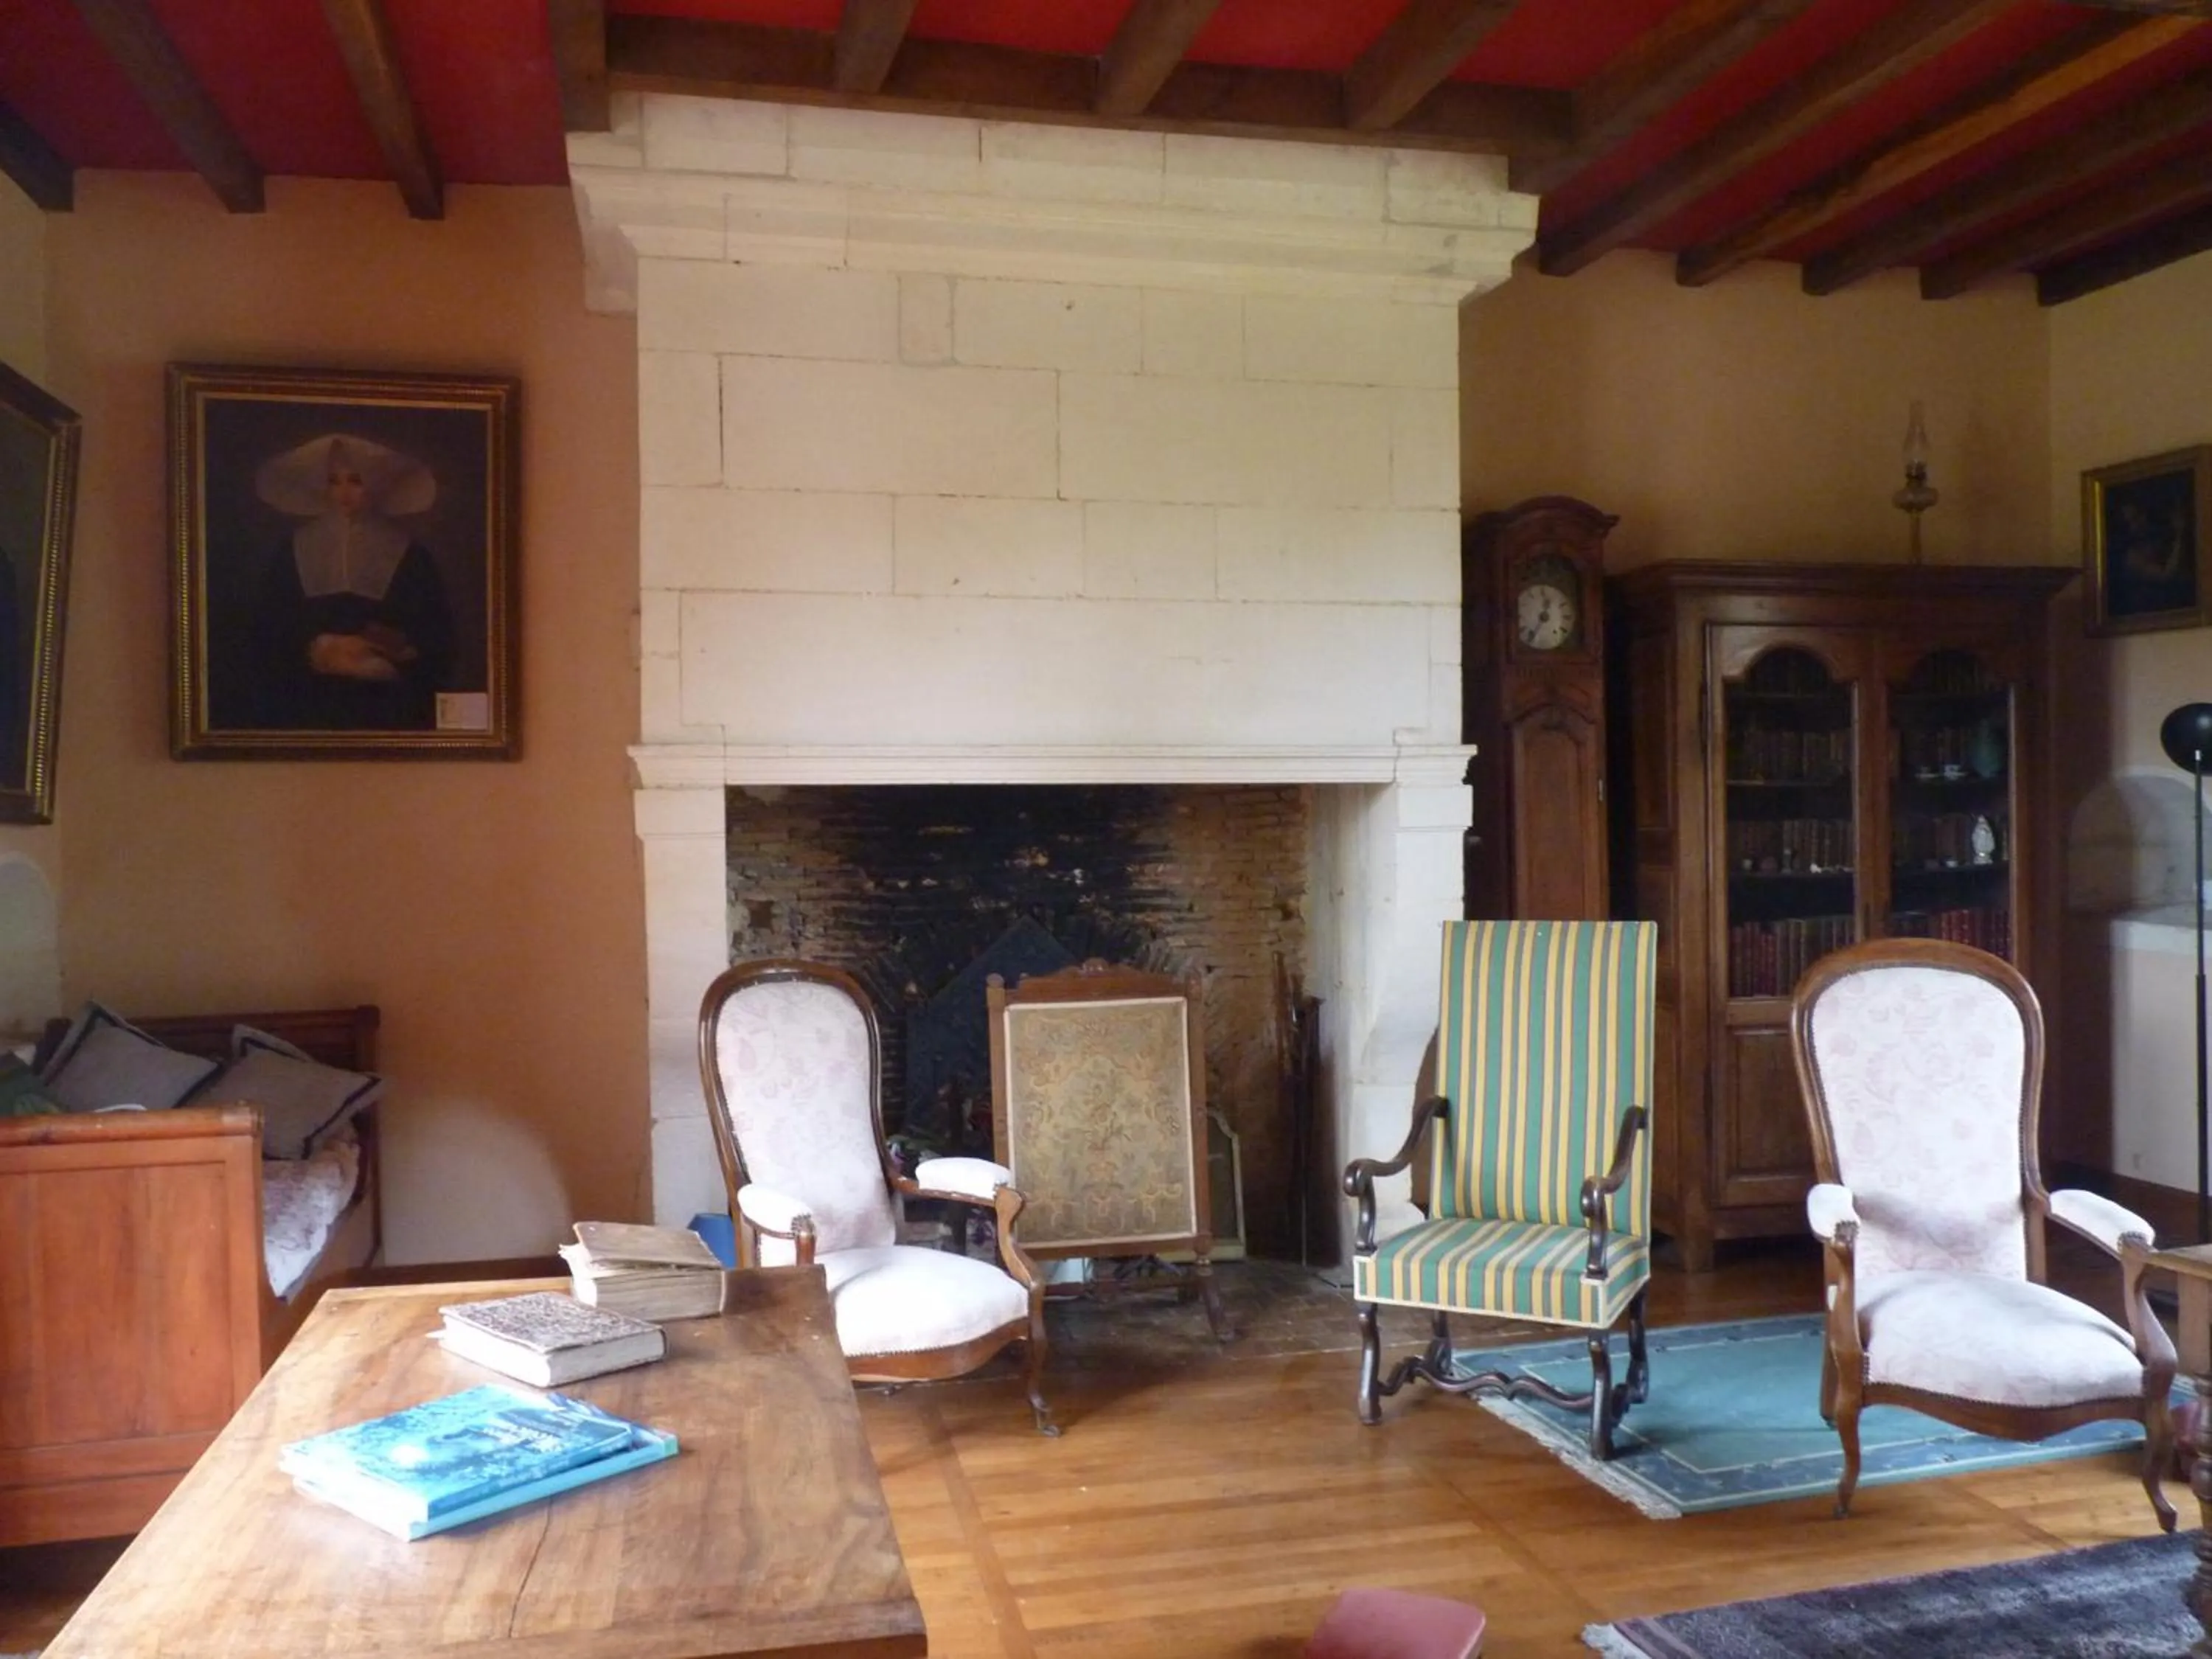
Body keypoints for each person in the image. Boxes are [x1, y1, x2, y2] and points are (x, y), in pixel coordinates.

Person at [251, 433, 452, 731]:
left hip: (385, 703)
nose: (344, 492)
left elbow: (434, 636)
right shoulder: (292, 548)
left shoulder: (411, 553)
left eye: (355, 481)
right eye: (334, 481)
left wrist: (381, 652)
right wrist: (320, 648)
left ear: (376, 483)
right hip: (307, 699)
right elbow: (269, 628)